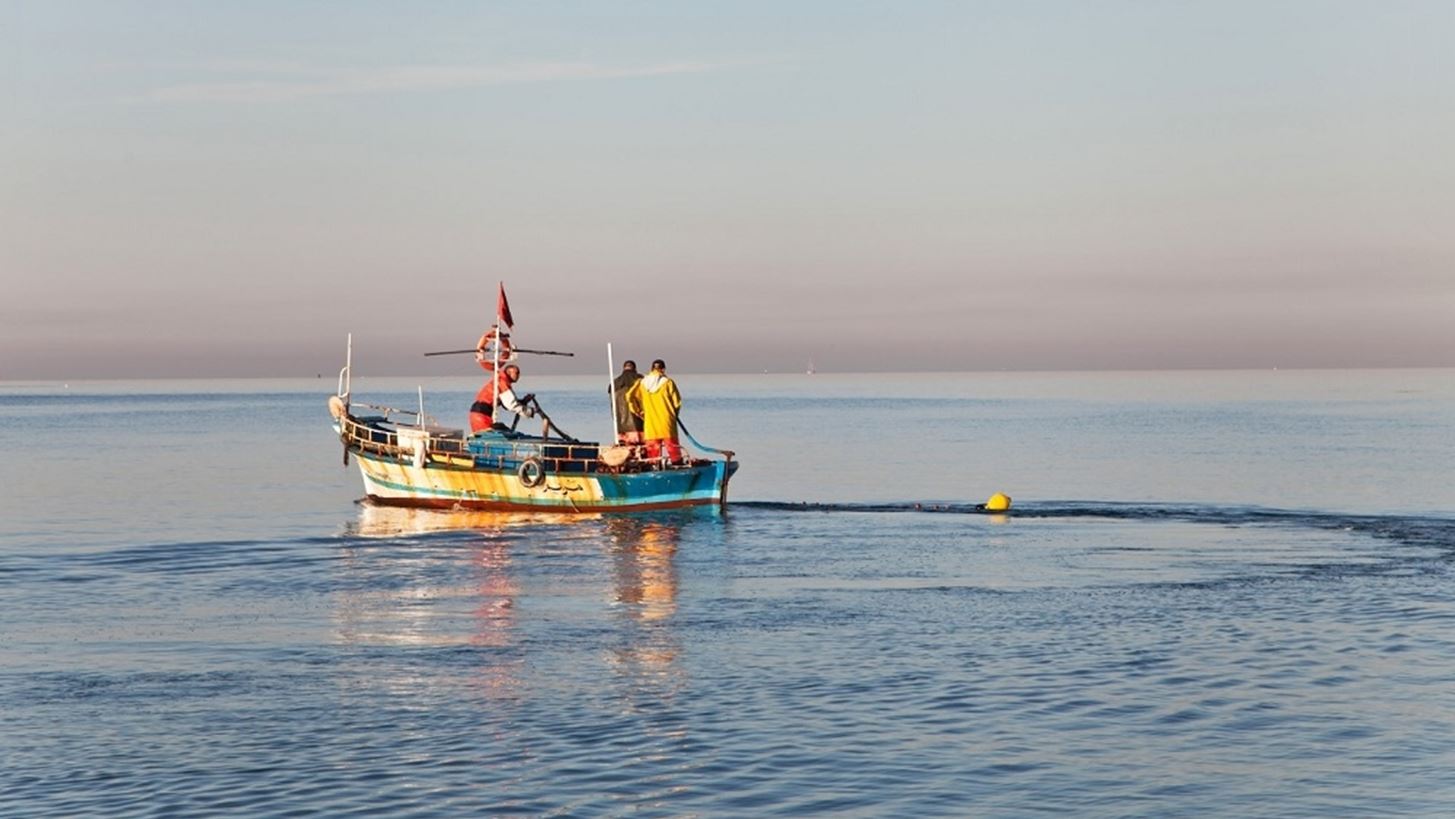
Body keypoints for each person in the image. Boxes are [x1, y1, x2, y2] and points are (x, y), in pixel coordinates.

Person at [625, 359, 683, 463]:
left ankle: (654, 466)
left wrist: (638, 411)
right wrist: (674, 415)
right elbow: (677, 403)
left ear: (651, 369)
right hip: (667, 422)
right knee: (673, 450)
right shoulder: (668, 382)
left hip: (650, 423)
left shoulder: (642, 383)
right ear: (663, 369)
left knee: (653, 454)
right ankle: (677, 465)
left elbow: (629, 396)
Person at [469, 351, 533, 433]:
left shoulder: (500, 381)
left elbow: (505, 404)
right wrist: (528, 412)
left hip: (477, 414)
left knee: (488, 434)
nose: (518, 376)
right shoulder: (502, 382)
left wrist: (523, 402)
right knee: (490, 436)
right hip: (481, 415)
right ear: (509, 373)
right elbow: (510, 405)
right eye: (516, 373)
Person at [609, 360, 645, 445]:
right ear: (635, 369)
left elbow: (612, 406)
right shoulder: (641, 381)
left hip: (620, 426)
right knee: (641, 448)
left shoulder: (614, 383)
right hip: (639, 424)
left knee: (625, 447)